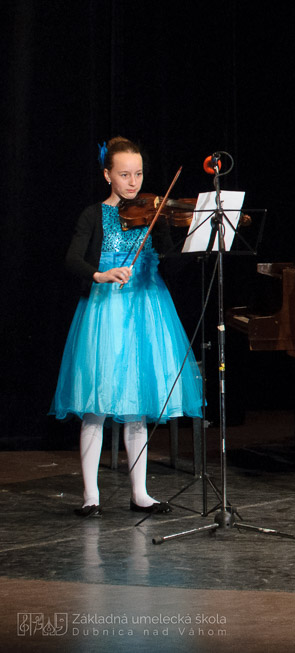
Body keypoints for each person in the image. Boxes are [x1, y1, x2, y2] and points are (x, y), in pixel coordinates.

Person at [52, 136, 204, 517]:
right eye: (124, 174)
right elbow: (72, 258)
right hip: (106, 312)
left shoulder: (153, 213)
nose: (133, 182)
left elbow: (169, 264)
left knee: (137, 404)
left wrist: (197, 241)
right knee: (96, 404)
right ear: (108, 175)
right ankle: (91, 495)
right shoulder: (94, 215)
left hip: (148, 310)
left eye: (137, 173)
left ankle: (141, 493)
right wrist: (100, 274)